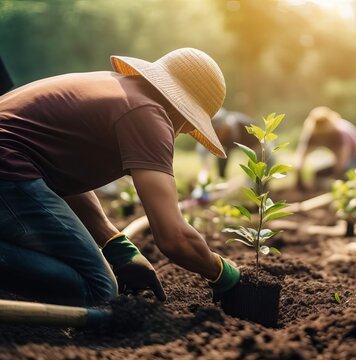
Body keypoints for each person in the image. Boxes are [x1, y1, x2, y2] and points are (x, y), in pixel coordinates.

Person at [0, 48, 239, 306]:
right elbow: (174, 237)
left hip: (12, 167)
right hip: (8, 169)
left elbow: (65, 178)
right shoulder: (147, 114)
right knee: (98, 289)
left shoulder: (115, 89)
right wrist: (222, 272)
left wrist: (116, 244)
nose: (183, 132)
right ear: (186, 113)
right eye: (190, 126)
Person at [294, 106, 356, 191]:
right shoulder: (312, 132)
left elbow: (342, 161)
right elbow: (300, 158)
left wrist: (336, 178)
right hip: (336, 158)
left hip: (352, 158)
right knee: (318, 175)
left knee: (346, 178)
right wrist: (299, 177)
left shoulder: (340, 133)